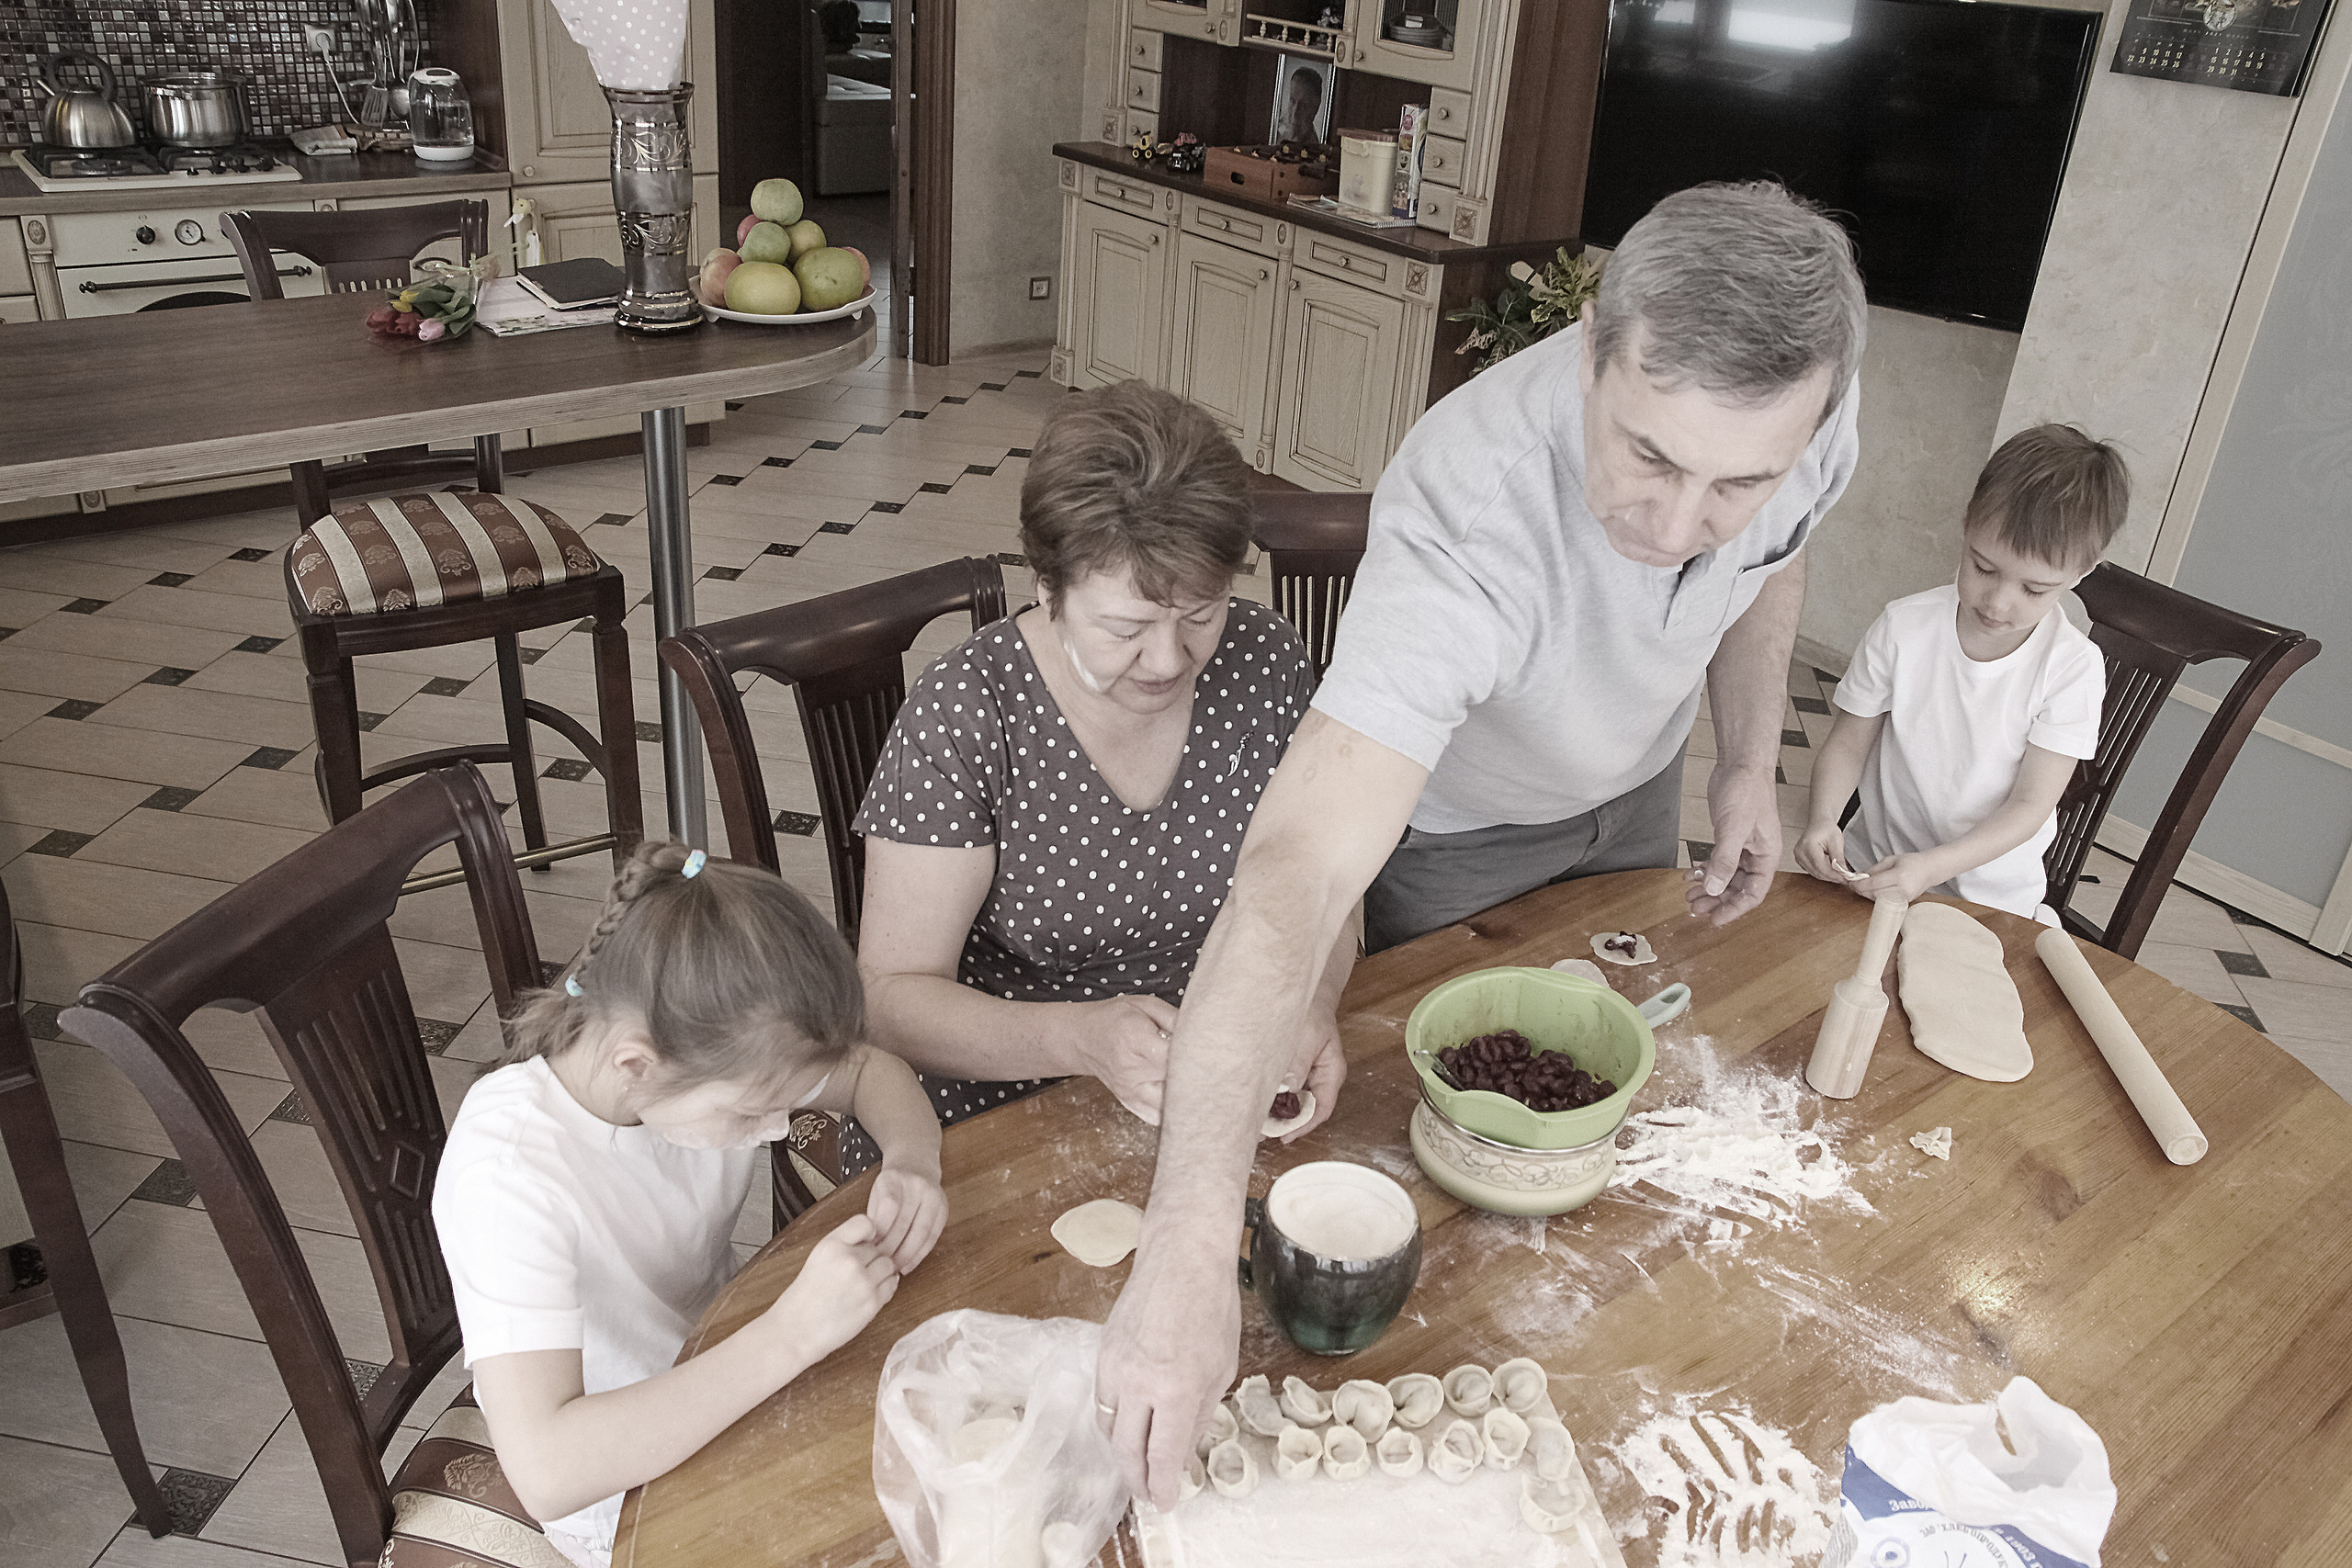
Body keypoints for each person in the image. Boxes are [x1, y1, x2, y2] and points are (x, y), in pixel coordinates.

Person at [1090, 181, 1870, 1504]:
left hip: (1640, 791)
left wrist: (1746, 760)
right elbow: (1295, 874)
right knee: (1437, 1175)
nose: (1676, 526)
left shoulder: (1811, 411)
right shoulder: (1470, 511)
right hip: (1459, 842)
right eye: (1648, 459)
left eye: (1734, 480)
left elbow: (1771, 560)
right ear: (1591, 347)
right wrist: (1183, 1246)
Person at [853, 379, 1351, 1144]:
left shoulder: (1264, 660)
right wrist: (1080, 1039)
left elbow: (1328, 882)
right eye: (1125, 629)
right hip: (999, 1104)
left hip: (1222, 1075)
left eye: (1201, 614)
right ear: (1047, 589)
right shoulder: (969, 712)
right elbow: (891, 998)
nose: (1168, 659)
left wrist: (1311, 1001)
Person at [434, 840, 946, 1568]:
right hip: (625, 1484)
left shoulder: (707, 1055)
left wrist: (912, 1161)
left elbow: (871, 1072)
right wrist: (792, 1332)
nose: (778, 1128)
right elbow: (547, 1469)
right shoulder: (507, 1175)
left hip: (731, 1360)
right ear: (636, 1062)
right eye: (751, 1111)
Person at [1795, 424, 2123, 920]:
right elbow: (1847, 744)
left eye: (2033, 590)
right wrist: (1823, 818)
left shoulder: (2072, 668)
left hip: (1992, 903)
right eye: (1983, 568)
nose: (1997, 602)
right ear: (1967, 524)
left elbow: (2030, 805)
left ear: (2083, 572)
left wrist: (1932, 867)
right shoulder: (1904, 627)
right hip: (1872, 872)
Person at [1275, 66, 1327, 145]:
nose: (1295, 112)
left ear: (1315, 108)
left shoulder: (1313, 146)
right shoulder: (1277, 131)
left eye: (1303, 105)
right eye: (1292, 101)